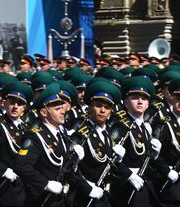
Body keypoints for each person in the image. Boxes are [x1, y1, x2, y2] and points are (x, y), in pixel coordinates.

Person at [15, 82, 85, 206]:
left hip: (62, 199)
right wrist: (45, 184)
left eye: (62, 108)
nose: (62, 111)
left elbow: (64, 166)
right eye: (57, 109)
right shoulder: (35, 136)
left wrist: (76, 163)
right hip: (43, 199)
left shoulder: (62, 136)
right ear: (43, 112)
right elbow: (22, 166)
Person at [68, 79, 123, 206]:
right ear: (89, 107)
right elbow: (70, 169)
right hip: (85, 197)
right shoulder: (81, 134)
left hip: (104, 195)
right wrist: (87, 188)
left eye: (107, 107)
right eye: (98, 105)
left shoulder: (107, 135)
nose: (103, 111)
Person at [109, 75, 162, 206]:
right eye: (134, 98)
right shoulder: (120, 125)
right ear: (126, 102)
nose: (140, 101)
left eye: (144, 99)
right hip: (126, 186)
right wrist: (128, 175)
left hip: (144, 183)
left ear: (148, 104)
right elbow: (110, 157)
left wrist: (155, 155)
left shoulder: (145, 127)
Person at [0, 81, 34, 207]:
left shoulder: (26, 128)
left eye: (19, 104)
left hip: (25, 185)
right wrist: (3, 170)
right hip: (6, 186)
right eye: (12, 102)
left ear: (24, 107)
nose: (15, 107)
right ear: (5, 103)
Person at [152, 76, 180, 206]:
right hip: (171, 187)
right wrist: (167, 171)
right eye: (178, 98)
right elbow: (154, 154)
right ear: (173, 98)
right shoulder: (163, 124)